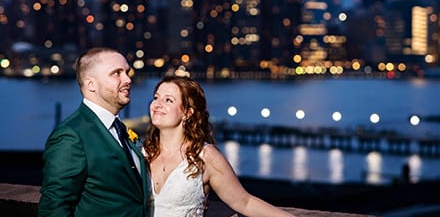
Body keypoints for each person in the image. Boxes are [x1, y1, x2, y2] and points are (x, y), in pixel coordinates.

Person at [143, 75, 296, 217]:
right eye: (156, 98)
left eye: (168, 100)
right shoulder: (141, 154)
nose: (157, 104)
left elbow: (244, 202)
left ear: (188, 113)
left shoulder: (204, 156)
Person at [39, 47, 153, 217]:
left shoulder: (120, 129)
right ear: (91, 84)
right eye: (117, 73)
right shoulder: (71, 136)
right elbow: (54, 208)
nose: (128, 79)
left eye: (127, 72)